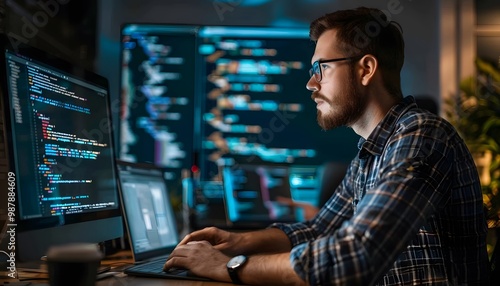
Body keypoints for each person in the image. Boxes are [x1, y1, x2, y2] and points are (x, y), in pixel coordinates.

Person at [163, 7, 490, 285]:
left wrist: (228, 267)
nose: (311, 83)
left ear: (365, 69)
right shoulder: (372, 152)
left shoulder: (421, 136)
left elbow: (358, 253)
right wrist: (238, 241)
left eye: (322, 68)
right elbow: (320, 229)